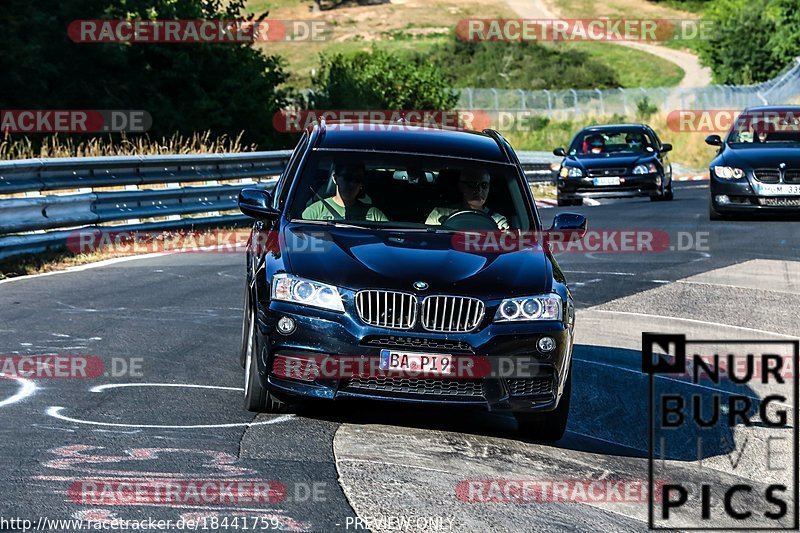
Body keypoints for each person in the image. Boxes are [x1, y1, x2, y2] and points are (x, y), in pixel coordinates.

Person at [425, 168, 509, 229]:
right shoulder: (438, 214)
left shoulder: (498, 221)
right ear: (461, 186)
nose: (479, 190)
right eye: (472, 185)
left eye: (484, 185)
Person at [302, 164, 388, 222]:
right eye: (347, 178)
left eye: (357, 180)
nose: (352, 184)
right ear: (335, 179)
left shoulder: (374, 214)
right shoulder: (315, 211)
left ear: (361, 185)